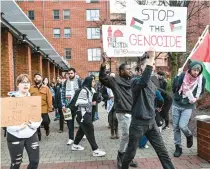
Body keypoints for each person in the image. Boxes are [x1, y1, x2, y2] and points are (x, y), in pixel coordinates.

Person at [121, 50, 175, 169]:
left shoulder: (152, 83)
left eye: (153, 65)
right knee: (130, 153)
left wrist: (161, 106)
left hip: (152, 123)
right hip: (138, 124)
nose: (152, 66)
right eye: (150, 64)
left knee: (162, 151)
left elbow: (161, 95)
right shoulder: (135, 81)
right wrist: (151, 58)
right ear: (141, 68)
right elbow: (143, 81)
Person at [99, 55, 138, 168]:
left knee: (133, 136)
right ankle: (120, 156)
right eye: (128, 69)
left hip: (134, 112)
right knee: (126, 135)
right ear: (121, 71)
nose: (130, 71)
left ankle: (129, 157)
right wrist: (103, 65)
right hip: (123, 112)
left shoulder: (133, 81)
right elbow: (102, 78)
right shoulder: (114, 80)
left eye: (131, 69)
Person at [7, 74, 42, 169]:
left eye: (27, 82)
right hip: (15, 136)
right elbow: (6, 121)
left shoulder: (33, 100)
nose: (26, 84)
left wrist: (34, 124)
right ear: (18, 84)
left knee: (35, 161)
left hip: (31, 134)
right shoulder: (11, 100)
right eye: (23, 82)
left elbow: (39, 118)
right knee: (16, 163)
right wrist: (18, 127)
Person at [172, 61, 206, 157]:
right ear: (190, 69)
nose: (196, 72)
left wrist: (195, 98)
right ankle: (178, 147)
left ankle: (189, 135)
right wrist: (176, 78)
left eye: (198, 71)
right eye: (195, 70)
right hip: (177, 104)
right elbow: (174, 89)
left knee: (182, 125)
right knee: (176, 127)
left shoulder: (201, 79)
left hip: (188, 105)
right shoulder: (182, 75)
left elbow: (201, 92)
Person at [71, 76, 106, 157]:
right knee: (90, 131)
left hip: (86, 114)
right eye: (93, 81)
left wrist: (98, 98)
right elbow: (79, 102)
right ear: (89, 82)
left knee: (82, 130)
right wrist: (91, 103)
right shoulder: (83, 90)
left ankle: (75, 145)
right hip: (82, 114)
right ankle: (95, 150)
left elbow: (95, 98)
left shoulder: (91, 90)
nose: (94, 83)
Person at [61, 68, 82, 145]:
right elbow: (62, 94)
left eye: (71, 73)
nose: (70, 75)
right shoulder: (65, 82)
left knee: (80, 120)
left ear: (75, 73)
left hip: (77, 105)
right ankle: (70, 138)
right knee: (69, 122)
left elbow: (83, 92)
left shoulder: (79, 81)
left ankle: (82, 134)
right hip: (67, 105)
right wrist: (63, 105)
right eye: (69, 73)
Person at [30, 73, 53, 141]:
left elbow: (49, 98)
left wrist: (50, 108)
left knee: (45, 121)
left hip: (44, 108)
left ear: (41, 78)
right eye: (35, 77)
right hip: (34, 108)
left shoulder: (46, 88)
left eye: (38, 77)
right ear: (34, 79)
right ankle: (38, 135)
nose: (36, 78)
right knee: (37, 123)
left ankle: (47, 128)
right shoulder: (31, 88)